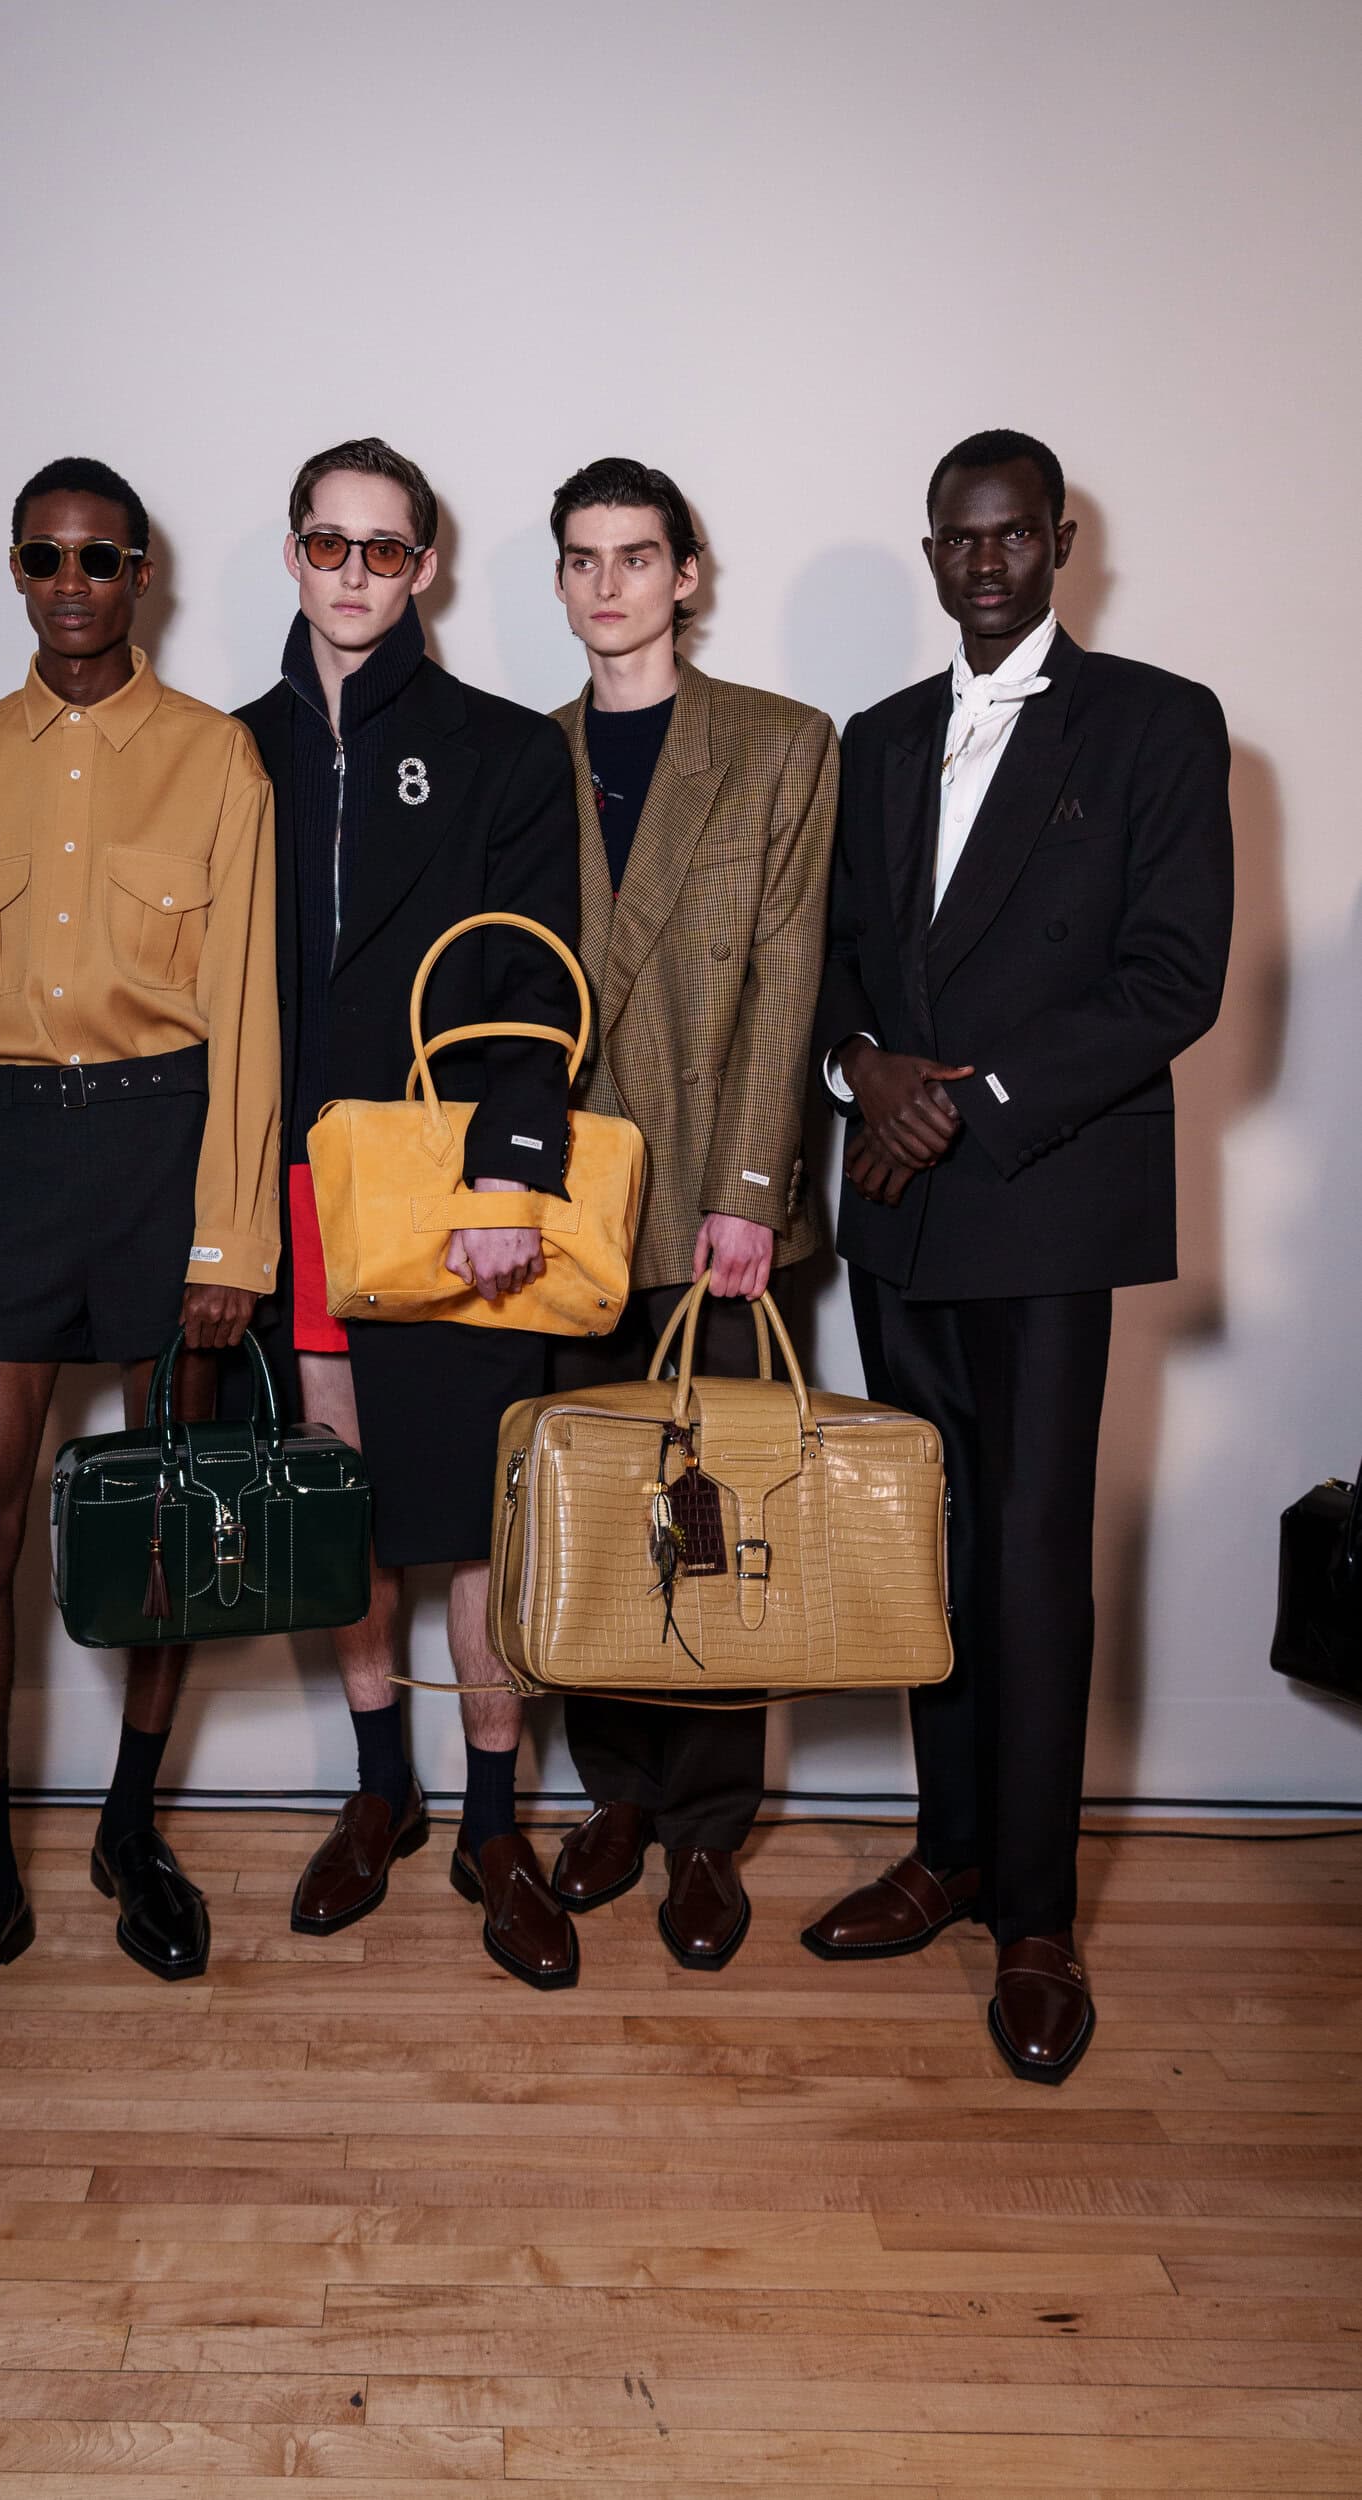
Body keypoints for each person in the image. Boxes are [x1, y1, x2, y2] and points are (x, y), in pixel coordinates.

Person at [802, 429, 1233, 2082]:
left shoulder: (1155, 721)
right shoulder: (877, 736)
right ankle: (951, 1853)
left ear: (1059, 543)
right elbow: (839, 949)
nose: (983, 562)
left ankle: (1037, 1918)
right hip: (897, 1207)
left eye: (1011, 535)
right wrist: (860, 1071)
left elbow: (1169, 976)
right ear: (932, 554)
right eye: (956, 538)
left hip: (1039, 1196)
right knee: (926, 1544)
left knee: (1034, 1555)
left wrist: (962, 1104)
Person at [0, 456, 281, 2068]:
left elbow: (244, 1005)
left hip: (161, 1150)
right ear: (17, 571)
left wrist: (230, 1231)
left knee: (163, 1508)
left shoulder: (214, 757)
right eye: (46, 559)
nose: (72, 586)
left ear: (139, 577)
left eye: (101, 560)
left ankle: (128, 1826)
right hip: (13, 1161)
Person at [235, 437, 583, 1989]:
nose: (355, 573)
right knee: (343, 1505)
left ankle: (495, 1820)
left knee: (476, 1520)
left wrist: (511, 1171)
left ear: (423, 565)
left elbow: (537, 974)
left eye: (385, 548)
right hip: (297, 1190)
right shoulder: (228, 751)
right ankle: (382, 1788)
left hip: (454, 1189)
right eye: (329, 544)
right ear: (294, 554)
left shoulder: (502, 748)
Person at [543, 457, 838, 1968]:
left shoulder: (781, 743)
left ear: (687, 574)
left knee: (719, 1517)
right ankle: (614, 1794)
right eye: (583, 559)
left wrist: (748, 1194)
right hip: (570, 1206)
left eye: (637, 556)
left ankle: (710, 1826)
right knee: (600, 1510)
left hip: (720, 1196)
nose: (610, 585)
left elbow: (789, 973)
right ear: (560, 581)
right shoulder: (524, 755)